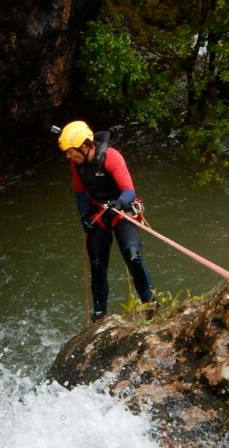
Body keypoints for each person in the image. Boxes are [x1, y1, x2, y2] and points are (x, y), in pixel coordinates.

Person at [58, 120, 157, 321]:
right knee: (97, 264)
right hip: (99, 214)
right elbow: (80, 193)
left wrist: (119, 205)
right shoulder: (77, 164)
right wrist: (84, 216)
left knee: (133, 256)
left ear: (85, 146)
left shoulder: (112, 158)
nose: (68, 155)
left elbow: (129, 191)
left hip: (122, 211)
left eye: (70, 151)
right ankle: (100, 314)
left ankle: (151, 306)